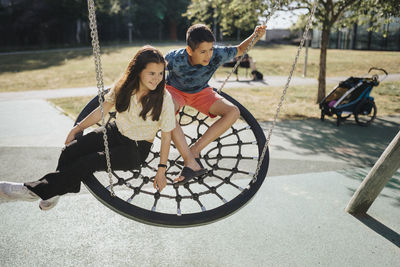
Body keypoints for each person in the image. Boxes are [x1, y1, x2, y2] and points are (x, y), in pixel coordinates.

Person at [0, 45, 176, 210]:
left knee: (88, 162)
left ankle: (32, 191)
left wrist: (162, 170)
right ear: (138, 72)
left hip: (134, 150)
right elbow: (101, 112)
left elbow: (167, 136)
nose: (157, 78)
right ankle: (55, 190)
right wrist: (77, 128)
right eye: (152, 73)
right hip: (115, 132)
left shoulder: (164, 98)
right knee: (71, 150)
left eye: (160, 73)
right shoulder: (124, 87)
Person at [165, 24, 266, 184]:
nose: (208, 55)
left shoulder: (217, 54)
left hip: (201, 92)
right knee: (166, 111)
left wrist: (255, 36)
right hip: (175, 91)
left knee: (233, 112)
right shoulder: (174, 58)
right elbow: (154, 69)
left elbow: (240, 50)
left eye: (210, 49)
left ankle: (195, 150)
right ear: (190, 50)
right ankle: (189, 161)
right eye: (203, 51)